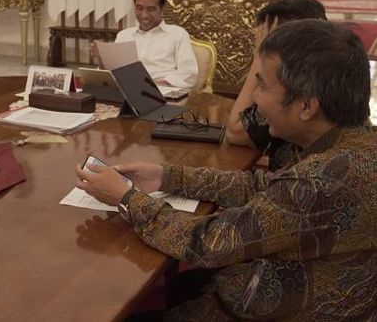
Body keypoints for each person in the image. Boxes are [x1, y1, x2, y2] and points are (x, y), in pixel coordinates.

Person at [76, 20, 376, 320]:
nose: (255, 97)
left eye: (263, 85)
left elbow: (209, 243)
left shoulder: (317, 182)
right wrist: (167, 176)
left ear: (307, 107)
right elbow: (266, 186)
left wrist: (127, 199)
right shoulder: (355, 138)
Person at [225, 0, 327, 170]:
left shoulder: (298, 88)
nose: (257, 95)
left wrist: (260, 58)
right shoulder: (332, 71)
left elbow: (235, 131)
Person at [94, 0, 198, 88]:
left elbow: (189, 73)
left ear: (162, 9)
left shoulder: (178, 35)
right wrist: (101, 59)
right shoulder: (124, 35)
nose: (144, 15)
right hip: (127, 92)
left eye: (151, 9)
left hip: (163, 93)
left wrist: (153, 85)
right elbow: (112, 73)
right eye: (139, 8)